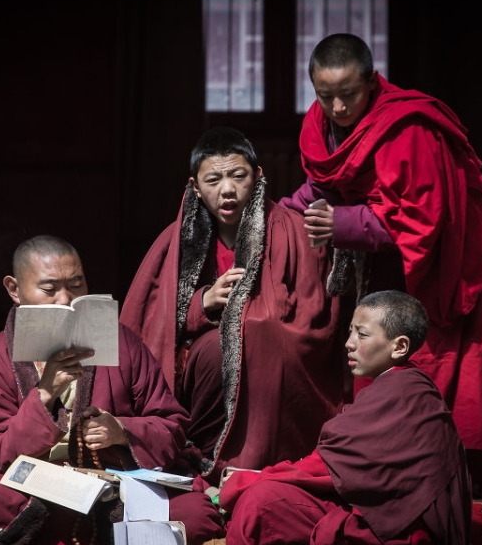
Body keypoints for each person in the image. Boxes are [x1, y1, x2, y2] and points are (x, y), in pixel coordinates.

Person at [279, 33, 482, 458]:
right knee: (380, 358)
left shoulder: (409, 127)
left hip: (445, 259)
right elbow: (324, 186)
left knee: (432, 362)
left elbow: (425, 218)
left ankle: (442, 461)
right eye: (325, 95)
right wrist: (278, 214)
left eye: (348, 94)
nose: (337, 108)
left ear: (371, 82)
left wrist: (343, 223)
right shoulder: (321, 123)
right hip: (388, 262)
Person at [0, 235, 225, 545]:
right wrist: (44, 394)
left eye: (76, 284)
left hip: (112, 488)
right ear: (14, 289)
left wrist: (122, 431)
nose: (66, 299)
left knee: (195, 515)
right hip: (32, 494)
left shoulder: (123, 344)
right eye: (49, 288)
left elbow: (171, 426)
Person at [120, 126, 344, 487]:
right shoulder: (176, 241)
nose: (227, 190)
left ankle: (256, 464)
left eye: (238, 176)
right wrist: (202, 304)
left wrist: (249, 319)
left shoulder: (292, 231)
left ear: (257, 176)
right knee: (213, 348)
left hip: (273, 373)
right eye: (213, 179)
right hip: (202, 377)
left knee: (257, 335)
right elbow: (148, 323)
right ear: (194, 187)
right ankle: (203, 456)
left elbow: (314, 318)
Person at [220, 290, 473, 545]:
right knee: (264, 497)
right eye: (350, 332)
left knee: (261, 500)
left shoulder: (403, 393)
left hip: (401, 531)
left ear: (399, 346)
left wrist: (250, 478)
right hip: (388, 518)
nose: (348, 344)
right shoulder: (402, 386)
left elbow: (328, 469)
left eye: (362, 335)